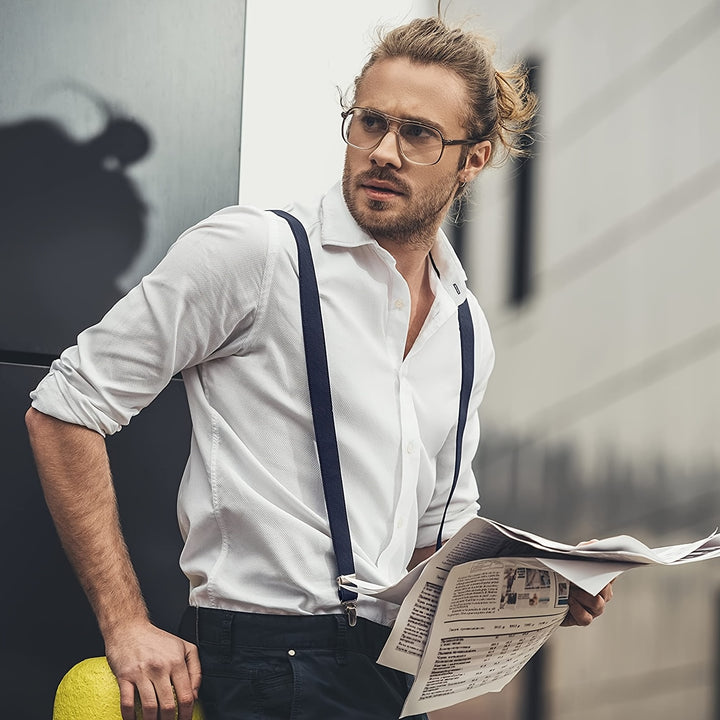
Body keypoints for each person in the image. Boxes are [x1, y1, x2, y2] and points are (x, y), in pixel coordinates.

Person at [25, 15, 613, 720]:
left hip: (392, 681)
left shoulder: (465, 325)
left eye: (418, 133)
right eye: (370, 122)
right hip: (263, 667)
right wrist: (125, 623)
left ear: (474, 158)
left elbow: (434, 541)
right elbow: (65, 407)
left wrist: (540, 588)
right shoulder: (257, 253)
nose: (385, 151)